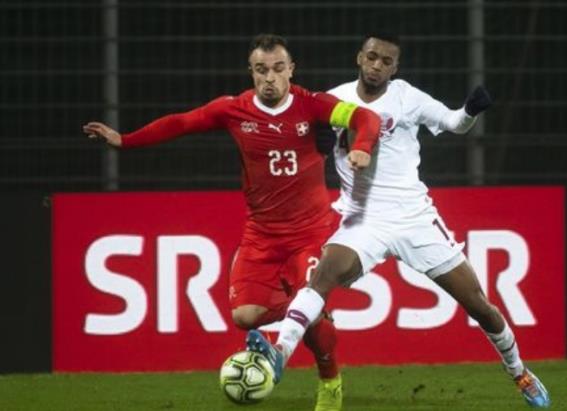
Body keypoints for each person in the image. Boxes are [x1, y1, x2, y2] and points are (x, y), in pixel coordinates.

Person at [246, 33, 551, 409]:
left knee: (477, 303)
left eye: (386, 61)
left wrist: (470, 111)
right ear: (360, 58)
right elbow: (298, 138)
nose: (377, 66)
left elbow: (453, 123)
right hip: (363, 219)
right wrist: (317, 141)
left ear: (395, 68)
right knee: (322, 277)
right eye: (372, 57)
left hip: (414, 218)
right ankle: (279, 353)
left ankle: (519, 371)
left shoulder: (408, 97)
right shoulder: (334, 99)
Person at [82, 33, 381, 411]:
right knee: (245, 316)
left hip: (310, 233)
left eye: (277, 69)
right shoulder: (233, 110)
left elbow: (365, 117)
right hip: (261, 235)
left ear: (291, 69)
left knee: (309, 310)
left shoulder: (313, 105)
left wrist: (361, 146)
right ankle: (305, 309)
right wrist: (125, 140)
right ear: (251, 72)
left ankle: (330, 382)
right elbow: (181, 123)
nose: (269, 78)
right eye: (261, 70)